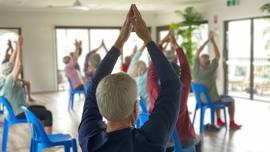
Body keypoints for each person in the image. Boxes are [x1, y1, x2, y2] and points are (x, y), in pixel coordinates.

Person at [78, 4, 181, 152]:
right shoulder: (150, 142)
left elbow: (93, 86)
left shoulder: (89, 139)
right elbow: (173, 85)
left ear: (100, 106)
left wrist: (120, 41)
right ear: (135, 109)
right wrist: (147, 39)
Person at [147, 31, 201, 150]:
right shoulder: (183, 87)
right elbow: (185, 66)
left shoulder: (153, 88)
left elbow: (152, 68)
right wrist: (175, 45)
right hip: (183, 141)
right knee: (197, 140)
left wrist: (161, 44)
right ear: (179, 75)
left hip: (158, 142)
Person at [0, 36, 53, 133]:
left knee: (42, 109)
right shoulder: (9, 81)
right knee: (48, 114)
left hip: (15, 110)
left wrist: (17, 47)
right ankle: (47, 140)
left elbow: (11, 63)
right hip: (18, 112)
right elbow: (18, 65)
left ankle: (39, 134)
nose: (11, 66)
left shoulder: (3, 79)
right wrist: (20, 47)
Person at [192, 32, 241, 129]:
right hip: (211, 100)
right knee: (231, 100)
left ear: (199, 62)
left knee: (217, 96)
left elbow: (197, 52)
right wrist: (213, 41)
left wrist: (207, 40)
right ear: (209, 62)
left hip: (200, 101)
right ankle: (231, 122)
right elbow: (218, 56)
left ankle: (218, 119)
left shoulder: (195, 70)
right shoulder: (211, 69)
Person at [127, 44, 149, 109]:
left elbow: (134, 59)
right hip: (148, 108)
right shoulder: (145, 78)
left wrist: (144, 45)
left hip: (137, 110)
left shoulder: (129, 75)